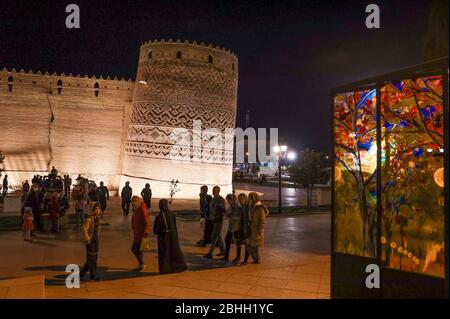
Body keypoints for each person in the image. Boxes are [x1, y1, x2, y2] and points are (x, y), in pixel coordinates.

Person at [153, 199, 187, 274]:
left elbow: (155, 230)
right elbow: (174, 227)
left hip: (163, 238)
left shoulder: (159, 216)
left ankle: (165, 269)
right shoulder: (172, 214)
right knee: (172, 252)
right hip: (172, 237)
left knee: (164, 253)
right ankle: (175, 267)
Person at [80, 202, 102, 281]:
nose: (97, 210)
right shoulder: (89, 219)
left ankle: (91, 275)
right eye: (96, 209)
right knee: (90, 260)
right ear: (92, 210)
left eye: (98, 209)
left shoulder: (97, 219)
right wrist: (87, 239)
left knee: (94, 260)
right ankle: (85, 275)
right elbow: (84, 230)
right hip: (90, 241)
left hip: (96, 241)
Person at [203, 185, 226, 259]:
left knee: (214, 237)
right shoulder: (213, 199)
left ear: (218, 191)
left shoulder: (220, 199)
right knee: (219, 237)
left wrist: (218, 217)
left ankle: (210, 253)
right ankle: (223, 251)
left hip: (218, 221)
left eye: (215, 190)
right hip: (213, 220)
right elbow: (211, 209)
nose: (213, 191)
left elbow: (223, 211)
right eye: (213, 190)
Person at [247, 192, 268, 264]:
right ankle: (256, 259)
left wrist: (259, 230)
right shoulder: (251, 206)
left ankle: (257, 259)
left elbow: (262, 220)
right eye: (249, 197)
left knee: (254, 246)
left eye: (251, 197)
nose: (250, 199)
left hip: (256, 229)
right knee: (249, 245)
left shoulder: (259, 207)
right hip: (251, 228)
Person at [221, 194, 243, 261]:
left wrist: (230, 215)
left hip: (236, 227)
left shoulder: (237, 207)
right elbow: (228, 214)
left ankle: (238, 257)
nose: (228, 202)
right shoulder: (231, 206)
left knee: (237, 242)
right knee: (227, 240)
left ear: (232, 199)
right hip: (231, 227)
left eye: (228, 200)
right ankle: (226, 256)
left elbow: (238, 217)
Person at [131, 196, 150, 271]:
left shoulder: (143, 210)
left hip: (142, 234)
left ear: (139, 201)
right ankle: (141, 265)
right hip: (137, 233)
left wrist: (145, 234)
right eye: (133, 201)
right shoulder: (136, 209)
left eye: (135, 201)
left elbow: (147, 223)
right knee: (139, 250)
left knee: (134, 249)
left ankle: (142, 263)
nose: (133, 203)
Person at [238, 193, 251, 265]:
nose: (241, 200)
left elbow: (248, 218)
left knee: (247, 244)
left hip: (247, 228)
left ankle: (245, 260)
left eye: (242, 198)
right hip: (243, 227)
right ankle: (255, 258)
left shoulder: (247, 207)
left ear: (245, 199)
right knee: (247, 244)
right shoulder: (242, 207)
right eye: (239, 199)